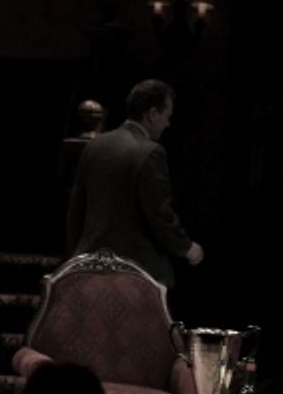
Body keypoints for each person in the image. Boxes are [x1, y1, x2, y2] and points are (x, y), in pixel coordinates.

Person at [67, 78, 203, 287]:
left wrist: (75, 258)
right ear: (152, 114)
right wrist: (186, 248)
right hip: (135, 271)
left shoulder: (95, 146)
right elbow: (159, 214)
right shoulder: (151, 153)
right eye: (167, 116)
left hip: (89, 266)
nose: (168, 124)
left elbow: (76, 208)